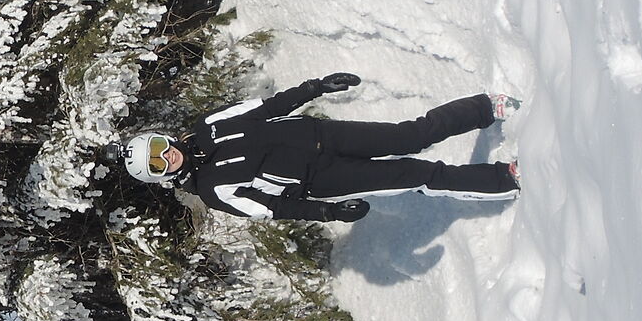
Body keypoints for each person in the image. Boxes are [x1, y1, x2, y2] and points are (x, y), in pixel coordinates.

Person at [124, 74, 519, 220]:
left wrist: (313, 88)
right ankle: (505, 178)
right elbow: (275, 208)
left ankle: (485, 107)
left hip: (323, 135)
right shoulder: (213, 191)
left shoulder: (209, 125)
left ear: (164, 137)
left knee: (412, 134)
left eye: (159, 147)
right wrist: (329, 212)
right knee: (419, 175)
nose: (167, 156)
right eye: (158, 164)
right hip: (324, 180)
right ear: (161, 176)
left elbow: (265, 107)